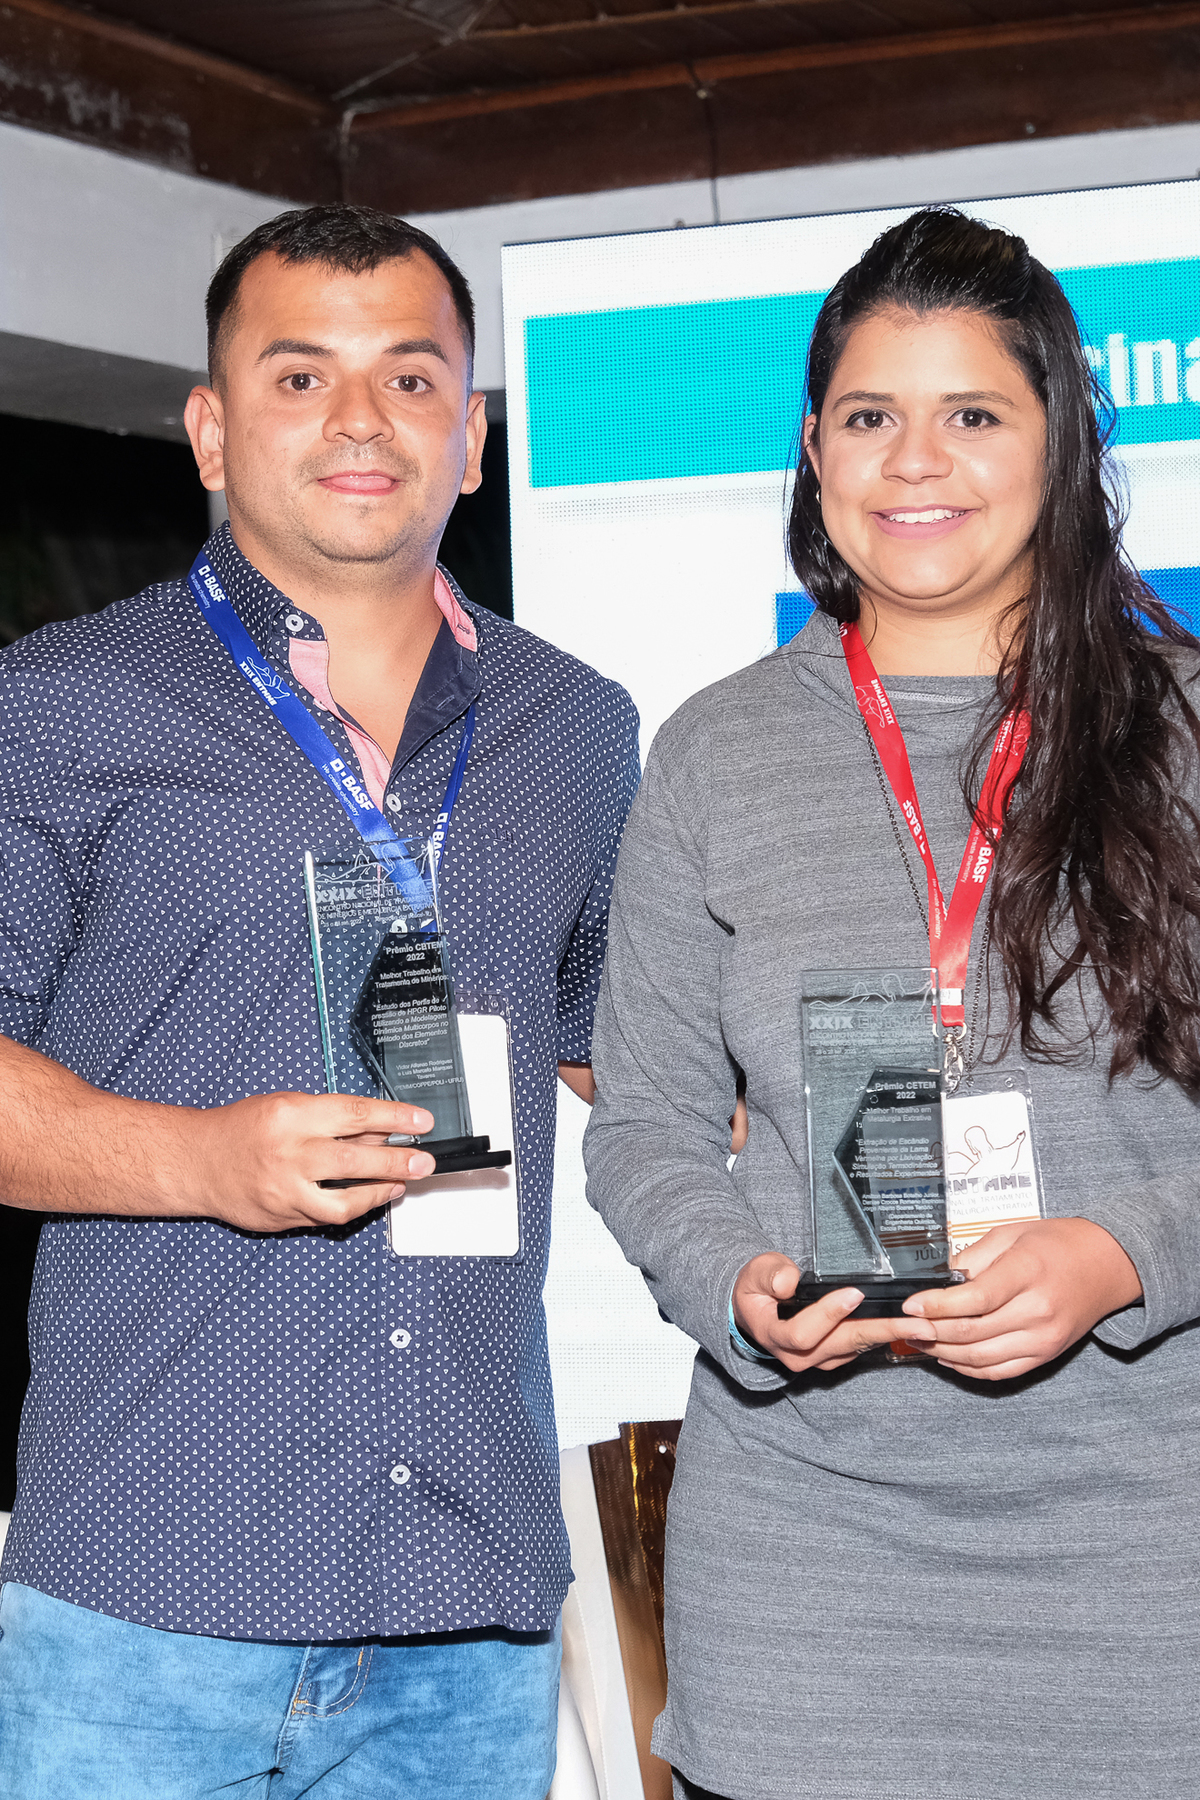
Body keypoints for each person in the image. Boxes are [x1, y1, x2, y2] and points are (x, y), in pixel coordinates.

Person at [0, 204, 639, 1797]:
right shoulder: (57, 707)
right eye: (300, 378)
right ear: (211, 431)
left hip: (469, 1600)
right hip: (147, 1603)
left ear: (472, 438)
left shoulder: (578, 726)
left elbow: (618, 1053)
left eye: (412, 379)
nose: (362, 420)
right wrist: (206, 1164)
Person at [584, 206, 1200, 1799]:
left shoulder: (1186, 732)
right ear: (812, 447)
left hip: (1150, 1586)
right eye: (872, 416)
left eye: (973, 414)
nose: (915, 460)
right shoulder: (715, 751)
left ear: (1059, 441)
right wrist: (737, 1283)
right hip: (808, 1594)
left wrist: (1123, 1251)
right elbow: (644, 1122)